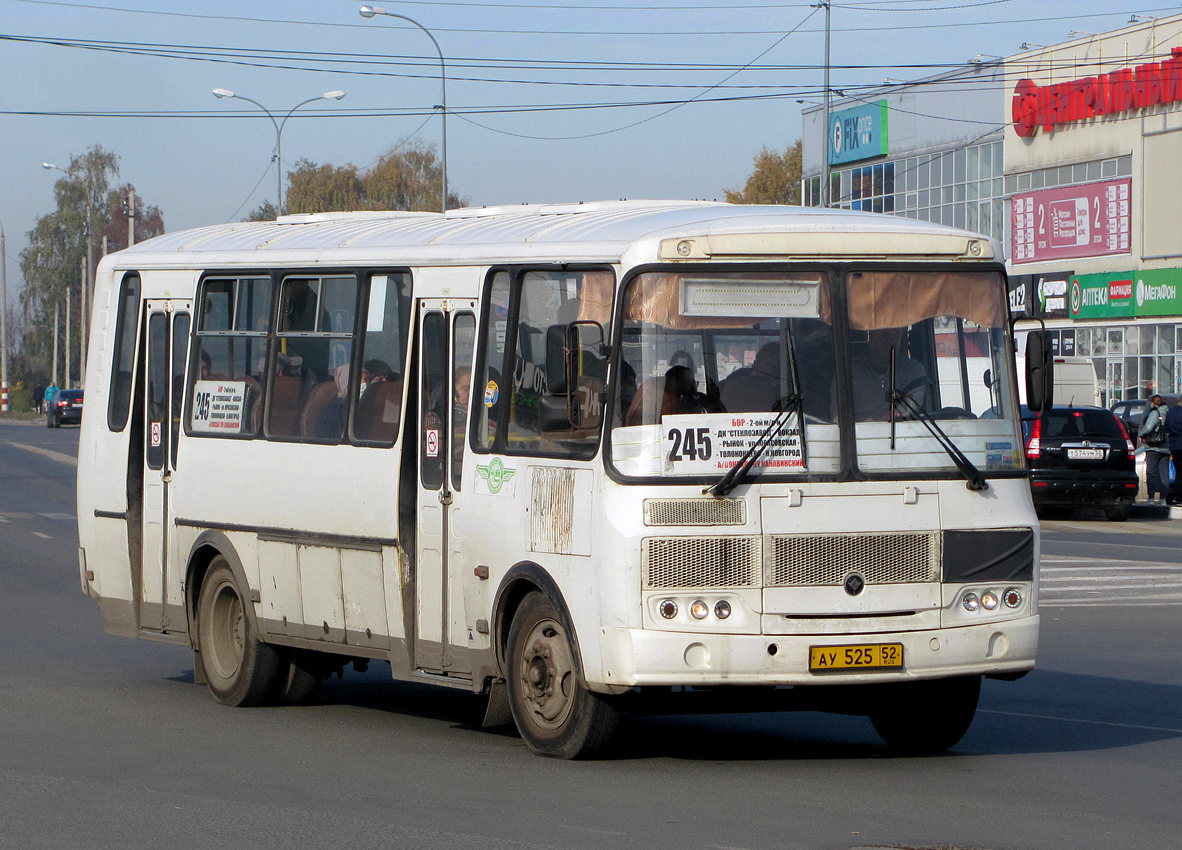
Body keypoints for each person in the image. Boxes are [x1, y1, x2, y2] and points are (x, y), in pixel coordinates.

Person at [843, 327, 928, 421]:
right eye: (884, 335)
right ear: (871, 335)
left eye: (896, 335)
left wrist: (896, 413)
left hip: (902, 433)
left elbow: (911, 403)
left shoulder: (913, 370)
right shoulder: (848, 373)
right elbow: (838, 421)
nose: (891, 340)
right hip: (857, 435)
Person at [1140, 394, 1171, 505]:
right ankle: (1163, 499)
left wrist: (1141, 434)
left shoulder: (1154, 413)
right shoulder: (1168, 413)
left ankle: (1151, 498)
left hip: (1153, 447)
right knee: (1164, 473)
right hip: (1166, 448)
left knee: (1151, 472)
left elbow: (1148, 427)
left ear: (1153, 403)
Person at [1167, 397, 1182, 506]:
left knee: (1178, 472)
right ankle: (1179, 497)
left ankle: (1177, 496)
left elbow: (1166, 428)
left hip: (1174, 445)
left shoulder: (1170, 412)